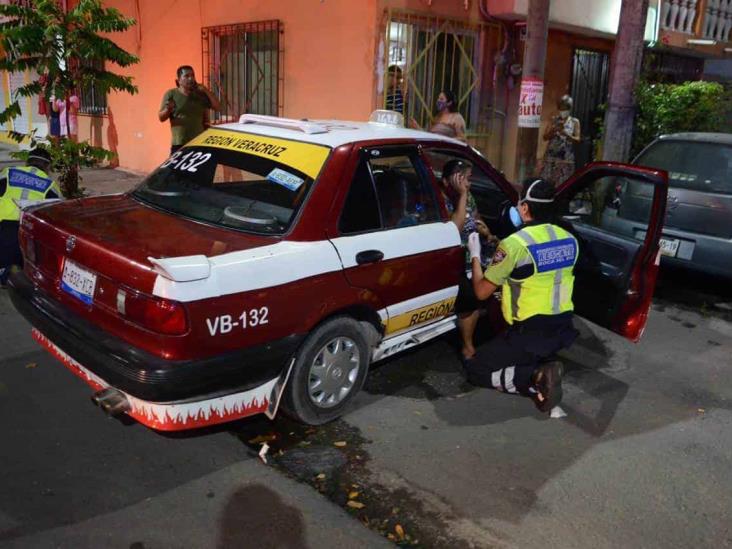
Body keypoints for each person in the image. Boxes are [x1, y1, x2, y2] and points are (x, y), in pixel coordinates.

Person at [463, 178, 579, 412]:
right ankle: (541, 364)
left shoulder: (515, 243)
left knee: (476, 368)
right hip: (562, 326)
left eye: (519, 203)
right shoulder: (570, 238)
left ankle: (535, 377)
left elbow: (481, 291)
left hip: (529, 331)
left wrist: (475, 255)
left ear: (525, 208)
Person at [440, 159, 497, 361]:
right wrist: (462, 195)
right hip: (451, 258)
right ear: (448, 181)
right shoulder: (441, 198)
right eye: (462, 179)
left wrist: (485, 231)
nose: (467, 184)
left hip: (472, 254)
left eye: (468, 179)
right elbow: (453, 230)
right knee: (469, 298)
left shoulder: (468, 197)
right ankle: (468, 346)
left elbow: (475, 217)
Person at [0, 149, 61, 286]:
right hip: (27, 233)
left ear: (27, 162)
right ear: (47, 167)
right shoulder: (51, 185)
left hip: (2, 228)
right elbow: (54, 215)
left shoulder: (9, 172)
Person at [159, 65, 221, 154]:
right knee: (176, 168)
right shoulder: (171, 94)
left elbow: (218, 107)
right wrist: (168, 109)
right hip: (179, 143)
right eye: (187, 76)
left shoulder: (200, 95)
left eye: (192, 75)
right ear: (179, 80)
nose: (191, 78)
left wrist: (205, 90)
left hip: (199, 142)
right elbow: (161, 118)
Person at [540, 94, 581, 187]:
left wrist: (565, 133)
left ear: (569, 108)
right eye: (561, 108)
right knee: (546, 184)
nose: (563, 111)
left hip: (566, 159)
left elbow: (578, 139)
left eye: (565, 108)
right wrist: (554, 130)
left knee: (563, 185)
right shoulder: (553, 120)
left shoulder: (575, 122)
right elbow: (545, 137)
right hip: (551, 158)